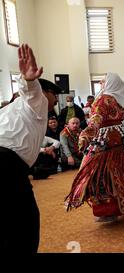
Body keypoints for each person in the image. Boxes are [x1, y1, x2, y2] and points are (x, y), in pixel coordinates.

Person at [65, 73, 124, 223]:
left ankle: (108, 211)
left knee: (100, 173)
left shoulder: (104, 99)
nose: (102, 83)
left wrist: (86, 133)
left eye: (104, 80)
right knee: (123, 171)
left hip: (105, 140)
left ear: (109, 83)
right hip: (120, 138)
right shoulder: (121, 98)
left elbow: (96, 119)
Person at [0, 44, 62, 252]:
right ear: (46, 92)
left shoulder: (9, 110)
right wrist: (29, 80)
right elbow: (32, 92)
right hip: (6, 166)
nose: (55, 100)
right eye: (54, 93)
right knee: (24, 227)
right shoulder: (39, 102)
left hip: (10, 166)